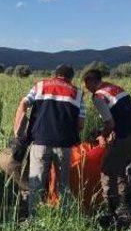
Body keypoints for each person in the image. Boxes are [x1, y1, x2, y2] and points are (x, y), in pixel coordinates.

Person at [13, 64, 85, 215]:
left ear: (55, 74)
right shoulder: (78, 93)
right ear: (71, 78)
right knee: (63, 184)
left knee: (36, 184)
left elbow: (23, 103)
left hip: (40, 142)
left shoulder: (40, 86)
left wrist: (17, 131)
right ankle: (64, 216)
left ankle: (34, 218)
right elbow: (80, 125)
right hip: (64, 145)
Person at [82, 69, 131, 224]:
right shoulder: (114, 88)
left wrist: (102, 135)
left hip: (127, 137)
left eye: (86, 84)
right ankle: (125, 204)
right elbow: (122, 115)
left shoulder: (98, 96)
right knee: (120, 168)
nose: (86, 88)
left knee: (107, 170)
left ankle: (113, 213)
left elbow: (110, 123)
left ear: (91, 81)